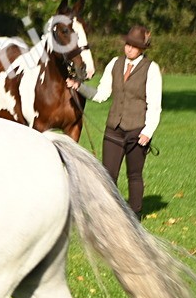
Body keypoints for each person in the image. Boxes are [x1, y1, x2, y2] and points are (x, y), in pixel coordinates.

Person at [67, 25, 162, 219]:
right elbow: (102, 94)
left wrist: (148, 131)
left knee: (134, 175)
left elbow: (154, 104)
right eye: (128, 44)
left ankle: (135, 215)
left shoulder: (151, 69)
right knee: (108, 175)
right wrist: (79, 87)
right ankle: (109, 213)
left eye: (134, 46)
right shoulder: (115, 64)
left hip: (137, 129)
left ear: (142, 49)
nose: (129, 49)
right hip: (113, 128)